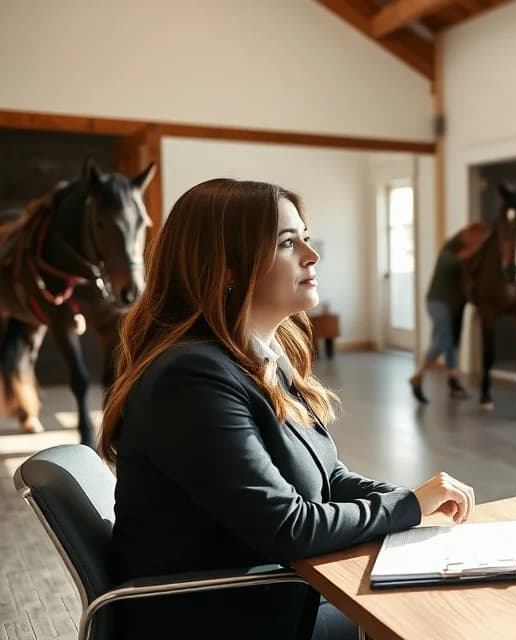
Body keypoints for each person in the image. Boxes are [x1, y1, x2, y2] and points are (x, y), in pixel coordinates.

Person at [100, 179, 476, 639]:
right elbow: (288, 527)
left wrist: (417, 505)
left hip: (271, 598)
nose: (311, 255)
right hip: (222, 618)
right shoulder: (190, 378)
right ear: (227, 265)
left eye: (305, 236)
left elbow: (330, 478)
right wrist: (409, 507)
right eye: (286, 242)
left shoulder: (258, 358)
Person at [409, 223, 488, 404]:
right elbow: (464, 258)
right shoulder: (448, 253)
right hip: (439, 303)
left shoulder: (452, 252)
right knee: (443, 341)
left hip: (447, 304)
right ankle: (418, 376)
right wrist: (481, 245)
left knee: (450, 342)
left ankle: (453, 381)